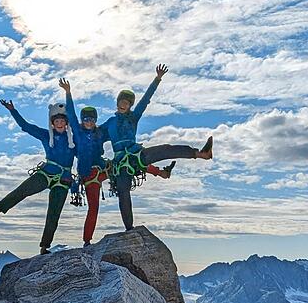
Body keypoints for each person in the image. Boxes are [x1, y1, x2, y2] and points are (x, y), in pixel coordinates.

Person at [59, 78, 173, 246]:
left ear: (95, 121)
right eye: (86, 119)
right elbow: (71, 114)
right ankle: (87, 241)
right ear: (82, 121)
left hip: (104, 169)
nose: (89, 122)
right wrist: (68, 93)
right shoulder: (78, 132)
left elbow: (118, 129)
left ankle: (161, 172)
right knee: (94, 208)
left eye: (92, 119)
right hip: (89, 176)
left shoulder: (100, 133)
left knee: (130, 162)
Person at [103, 64, 213, 230]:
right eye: (121, 101)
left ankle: (201, 154)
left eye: (127, 102)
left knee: (165, 150)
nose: (123, 104)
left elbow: (145, 100)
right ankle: (129, 229)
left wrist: (157, 79)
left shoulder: (133, 117)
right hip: (120, 164)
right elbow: (95, 135)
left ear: (130, 106)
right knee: (123, 193)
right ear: (117, 102)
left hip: (136, 155)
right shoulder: (109, 123)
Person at [0, 98, 75, 255]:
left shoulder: (73, 140)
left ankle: (44, 247)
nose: (59, 123)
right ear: (52, 123)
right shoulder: (45, 135)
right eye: (56, 121)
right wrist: (13, 110)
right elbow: (26, 126)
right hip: (46, 173)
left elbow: (85, 153)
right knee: (21, 191)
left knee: (54, 212)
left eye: (62, 120)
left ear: (66, 123)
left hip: (63, 179)